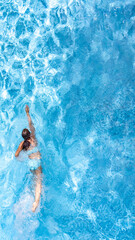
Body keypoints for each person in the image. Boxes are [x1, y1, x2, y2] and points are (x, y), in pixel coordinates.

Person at [15, 105, 42, 212]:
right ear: (29, 134)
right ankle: (35, 202)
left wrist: (22, 159)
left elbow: (16, 155)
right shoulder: (33, 138)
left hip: (30, 163)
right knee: (39, 183)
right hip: (37, 162)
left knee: (33, 179)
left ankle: (28, 197)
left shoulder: (22, 144)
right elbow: (30, 124)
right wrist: (27, 113)